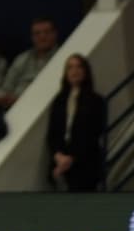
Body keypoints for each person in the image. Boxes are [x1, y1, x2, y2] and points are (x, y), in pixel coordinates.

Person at [45, 54, 105, 191]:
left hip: (85, 161)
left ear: (85, 71)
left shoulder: (96, 101)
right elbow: (52, 134)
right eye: (70, 67)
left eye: (79, 67)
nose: (74, 71)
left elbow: (93, 135)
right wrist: (58, 156)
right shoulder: (59, 100)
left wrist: (71, 159)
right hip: (60, 159)